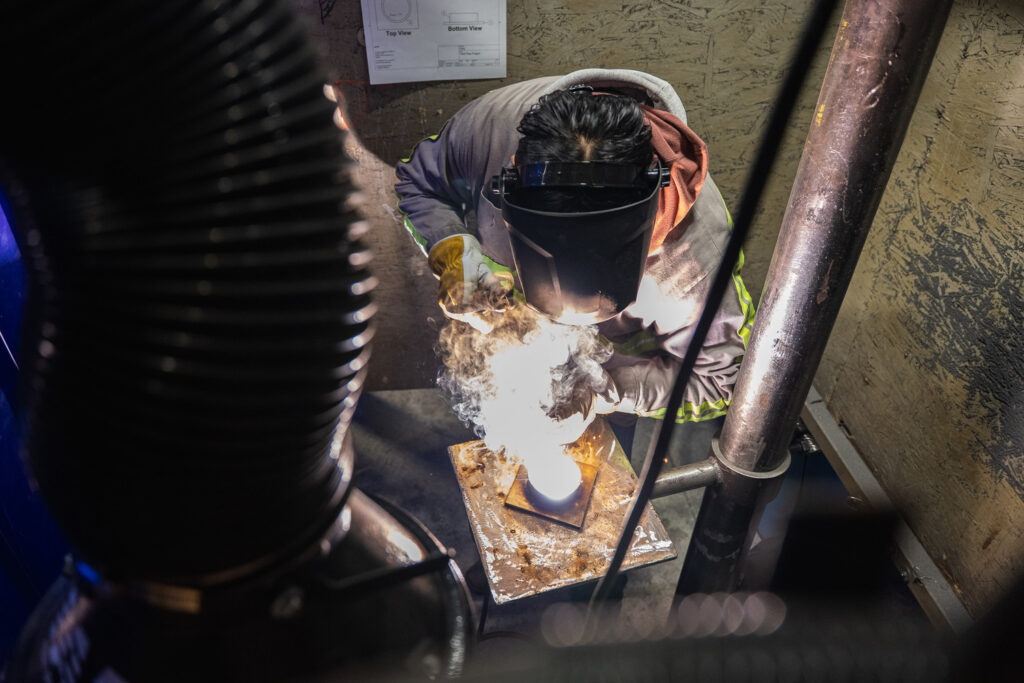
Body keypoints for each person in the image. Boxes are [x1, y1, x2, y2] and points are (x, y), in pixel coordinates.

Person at [395, 68, 754, 426]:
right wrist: (452, 249)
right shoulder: (488, 130)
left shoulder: (697, 261)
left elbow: (719, 383)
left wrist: (603, 390)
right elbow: (420, 183)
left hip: (620, 377)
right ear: (508, 184)